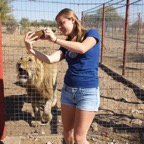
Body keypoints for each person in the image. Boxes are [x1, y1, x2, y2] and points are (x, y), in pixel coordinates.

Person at [24, 8, 100, 144]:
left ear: (72, 19)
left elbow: (82, 48)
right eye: (57, 25)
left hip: (87, 92)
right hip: (68, 92)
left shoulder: (91, 34)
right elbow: (50, 59)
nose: (59, 27)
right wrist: (31, 49)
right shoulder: (66, 44)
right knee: (67, 133)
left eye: (61, 23)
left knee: (79, 138)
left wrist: (55, 40)